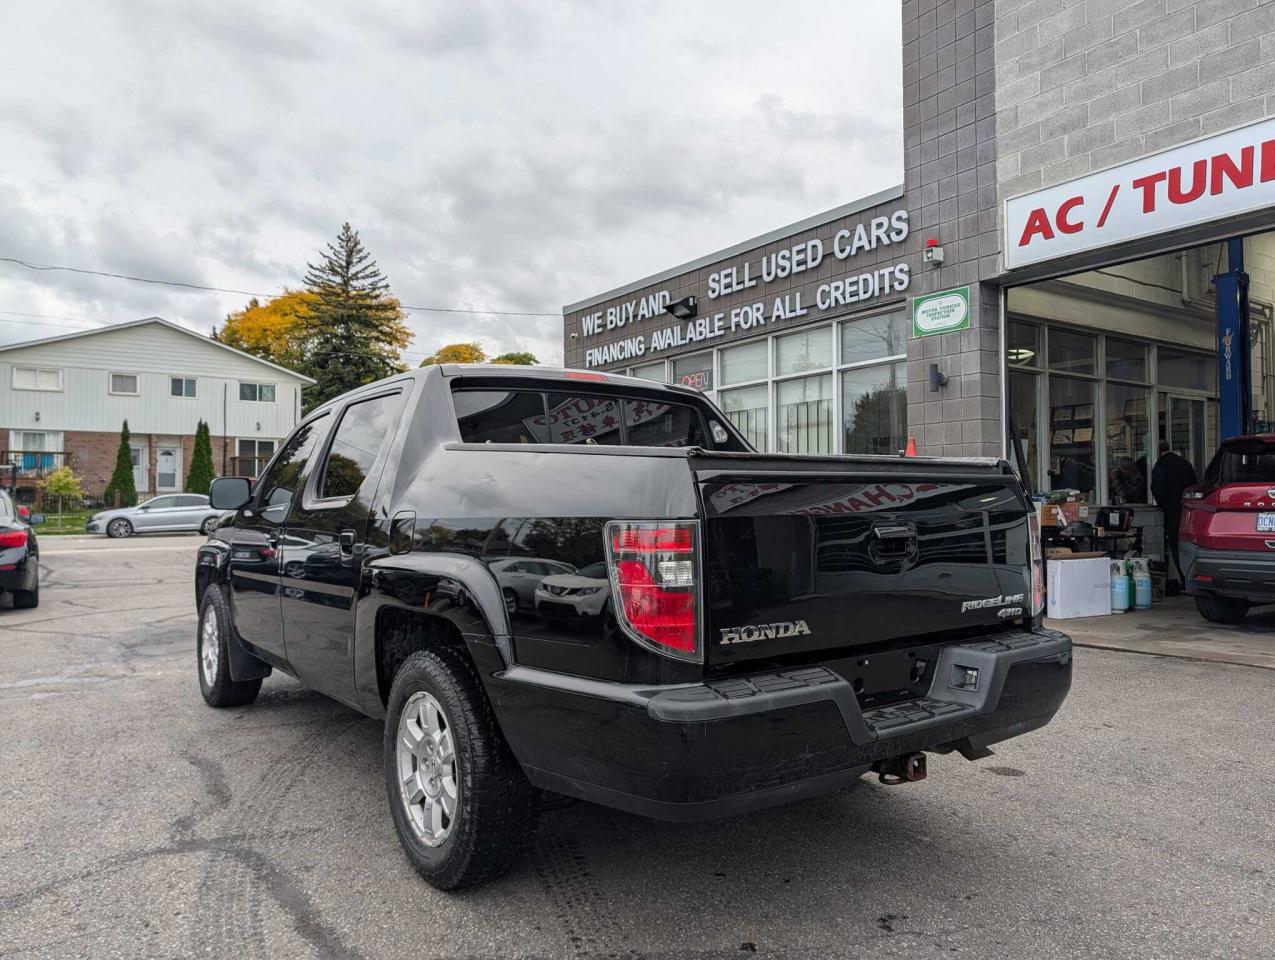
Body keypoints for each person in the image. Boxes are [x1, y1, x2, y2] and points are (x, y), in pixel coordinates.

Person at [1151, 441, 1198, 580]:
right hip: (1188, 510)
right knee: (1188, 545)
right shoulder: (1185, 463)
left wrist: (1164, 505)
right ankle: (1190, 577)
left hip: (1172, 511)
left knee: (1175, 545)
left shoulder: (1161, 465)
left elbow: (1157, 488)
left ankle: (1183, 578)